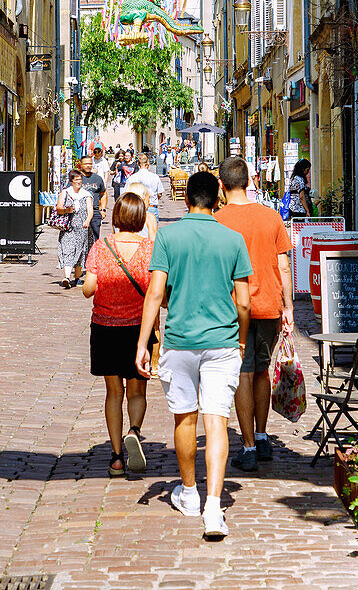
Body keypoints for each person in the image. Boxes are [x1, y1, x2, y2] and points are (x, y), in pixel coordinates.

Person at [136, 171, 252, 541]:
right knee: (216, 420)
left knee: (184, 420)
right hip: (222, 342)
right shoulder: (233, 239)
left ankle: (189, 493)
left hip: (181, 341)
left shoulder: (168, 236)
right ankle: (214, 507)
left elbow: (155, 294)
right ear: (217, 199)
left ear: (186, 199)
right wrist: (242, 341)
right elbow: (245, 302)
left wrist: (143, 343)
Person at [216, 156, 294, 472]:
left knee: (242, 374)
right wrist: (288, 307)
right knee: (262, 369)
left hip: (234, 307)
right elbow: (284, 265)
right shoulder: (271, 217)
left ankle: (248, 445)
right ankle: (262, 437)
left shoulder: (217, 220)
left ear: (221, 185)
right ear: (250, 181)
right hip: (270, 305)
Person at [83, 192, 155, 477]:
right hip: (139, 329)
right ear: (140, 219)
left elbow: (89, 288)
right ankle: (134, 430)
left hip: (105, 327)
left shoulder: (102, 247)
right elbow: (159, 293)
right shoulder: (150, 249)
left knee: (114, 392)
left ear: (116, 217)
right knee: (137, 390)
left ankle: (115, 458)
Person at [54, 169, 93, 288]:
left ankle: (77, 278)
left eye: (80, 180)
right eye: (76, 180)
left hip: (82, 227)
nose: (79, 182)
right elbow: (58, 208)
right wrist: (66, 210)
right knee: (68, 250)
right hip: (68, 227)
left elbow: (90, 210)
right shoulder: (65, 193)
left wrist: (87, 221)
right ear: (71, 181)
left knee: (81, 251)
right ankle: (66, 277)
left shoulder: (86, 194)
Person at [79, 155, 107, 243]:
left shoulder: (97, 178)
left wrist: (102, 209)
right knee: (80, 240)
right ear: (81, 164)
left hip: (95, 212)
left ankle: (92, 256)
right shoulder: (76, 178)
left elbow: (103, 194)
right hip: (79, 213)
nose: (88, 166)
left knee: (94, 240)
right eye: (86, 164)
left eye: (90, 164)